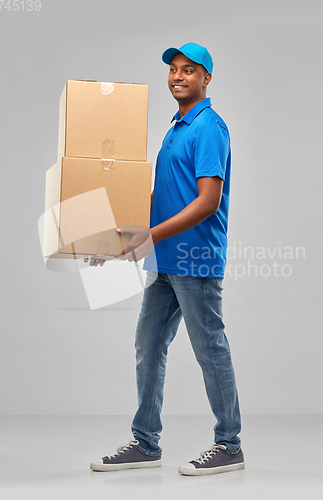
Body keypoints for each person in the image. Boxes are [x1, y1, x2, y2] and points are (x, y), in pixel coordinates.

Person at [89, 42, 244, 476]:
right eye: (173, 70)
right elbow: (164, 196)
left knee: (209, 349)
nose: (178, 77)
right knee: (149, 345)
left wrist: (150, 235)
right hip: (165, 260)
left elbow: (207, 201)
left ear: (206, 78)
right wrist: (126, 235)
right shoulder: (174, 126)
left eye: (189, 70)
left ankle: (229, 445)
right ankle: (145, 442)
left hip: (195, 260)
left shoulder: (209, 127)